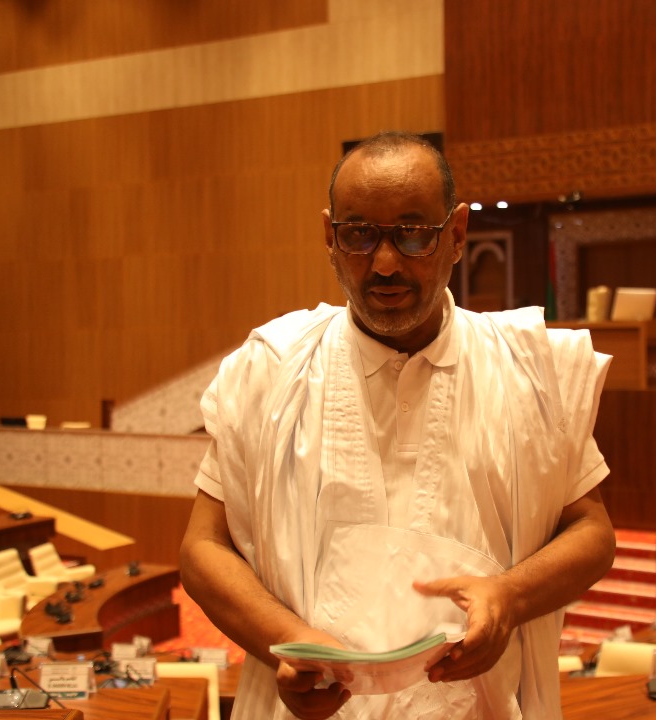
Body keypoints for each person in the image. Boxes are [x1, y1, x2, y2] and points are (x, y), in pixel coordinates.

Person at [179, 130, 617, 719]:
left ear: (456, 234)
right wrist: (286, 640)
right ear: (330, 237)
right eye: (359, 234)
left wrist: (509, 597)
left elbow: (592, 532)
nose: (384, 263)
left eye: (413, 234)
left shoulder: (528, 369)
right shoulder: (270, 370)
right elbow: (203, 546)